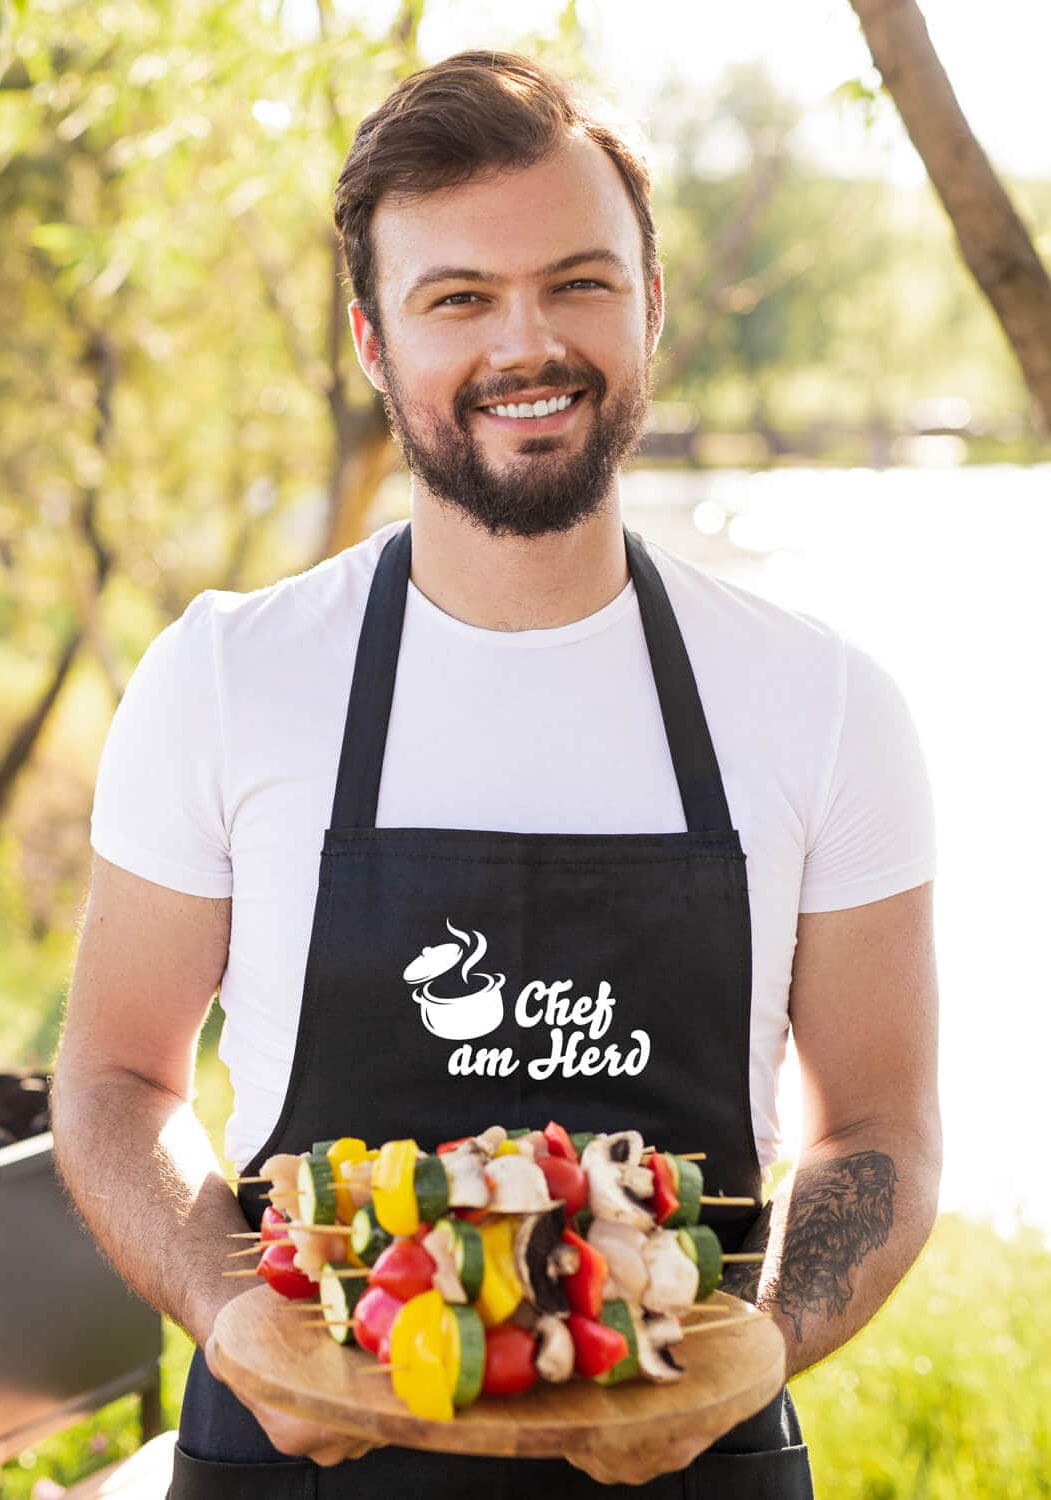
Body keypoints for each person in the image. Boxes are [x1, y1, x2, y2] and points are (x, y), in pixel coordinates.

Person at [51, 50, 940, 1499]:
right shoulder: (227, 676)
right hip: (291, 1460)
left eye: (579, 283)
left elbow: (882, 1126)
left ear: (650, 305)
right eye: (458, 298)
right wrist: (232, 1316)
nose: (527, 344)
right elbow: (112, 1078)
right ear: (371, 339)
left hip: (696, 1457)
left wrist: (753, 1349)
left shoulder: (823, 701)